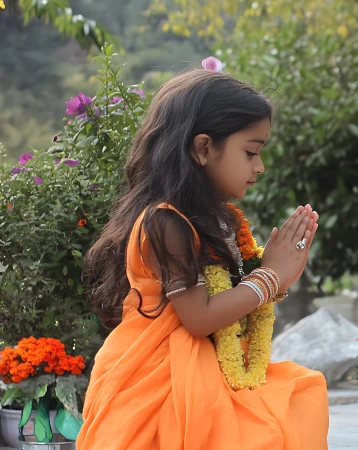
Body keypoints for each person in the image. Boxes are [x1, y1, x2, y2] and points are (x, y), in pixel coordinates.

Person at [78, 69, 329, 449]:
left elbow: (228, 300)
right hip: (164, 381)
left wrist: (275, 273)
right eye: (251, 152)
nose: (259, 167)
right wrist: (270, 278)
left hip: (210, 370)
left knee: (301, 398)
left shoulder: (215, 217)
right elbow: (199, 318)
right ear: (202, 148)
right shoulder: (165, 221)